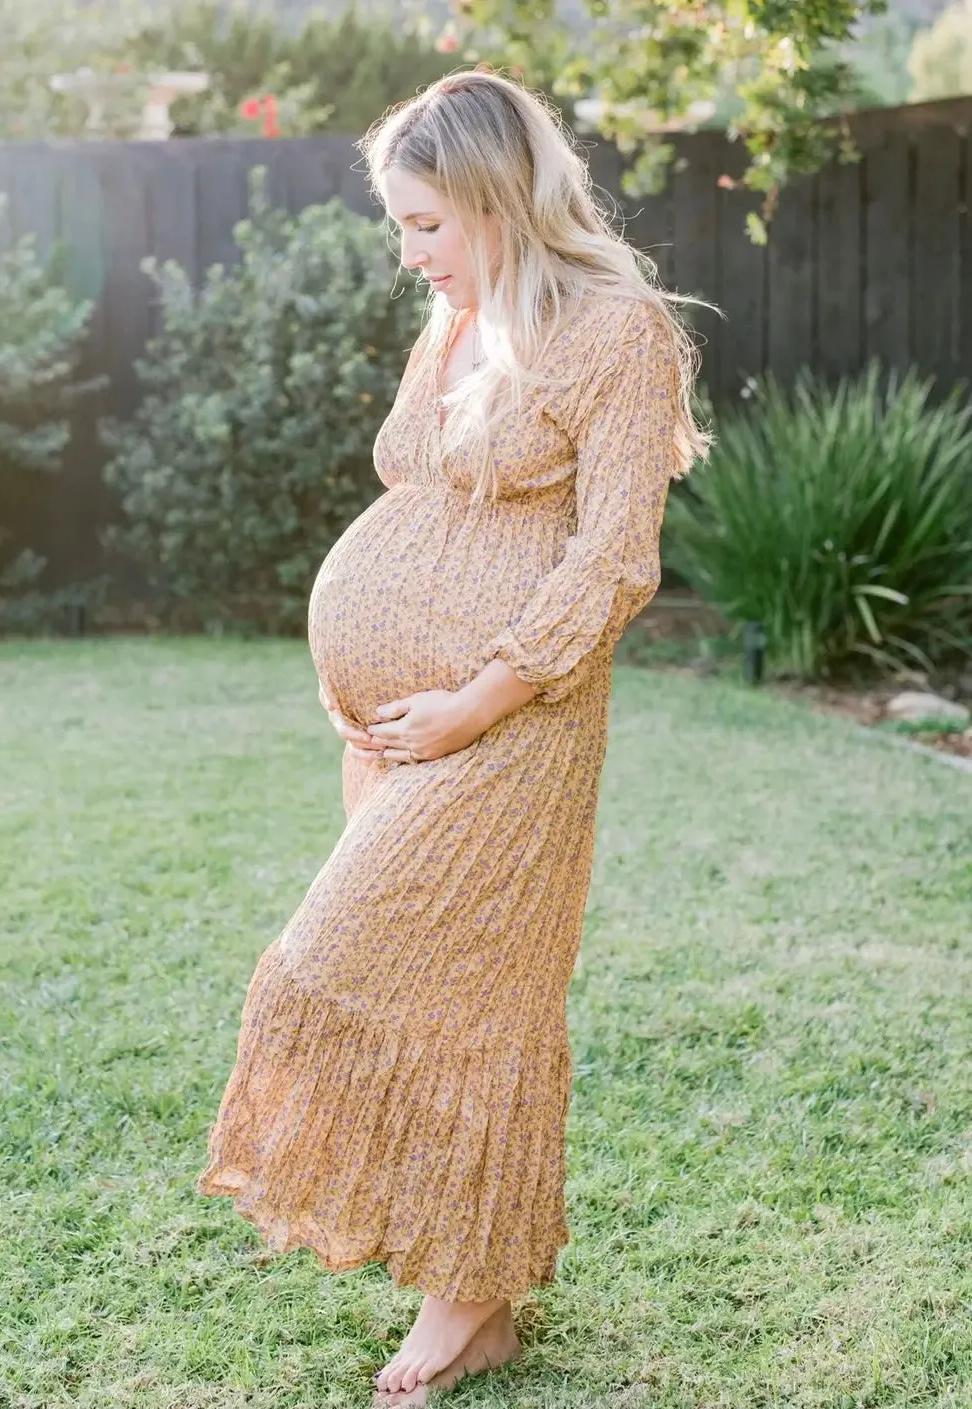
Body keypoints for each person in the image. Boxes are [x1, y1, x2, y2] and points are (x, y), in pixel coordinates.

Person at [195, 67, 714, 1406]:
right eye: (401, 224)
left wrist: (476, 695)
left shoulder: (615, 330)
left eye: (426, 223)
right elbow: (426, 505)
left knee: (361, 978)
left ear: (496, 199)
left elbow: (611, 563)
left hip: (506, 724)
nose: (408, 250)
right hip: (391, 725)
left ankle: (470, 1298)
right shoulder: (458, 322)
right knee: (431, 999)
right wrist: (355, 677)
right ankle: (463, 1303)